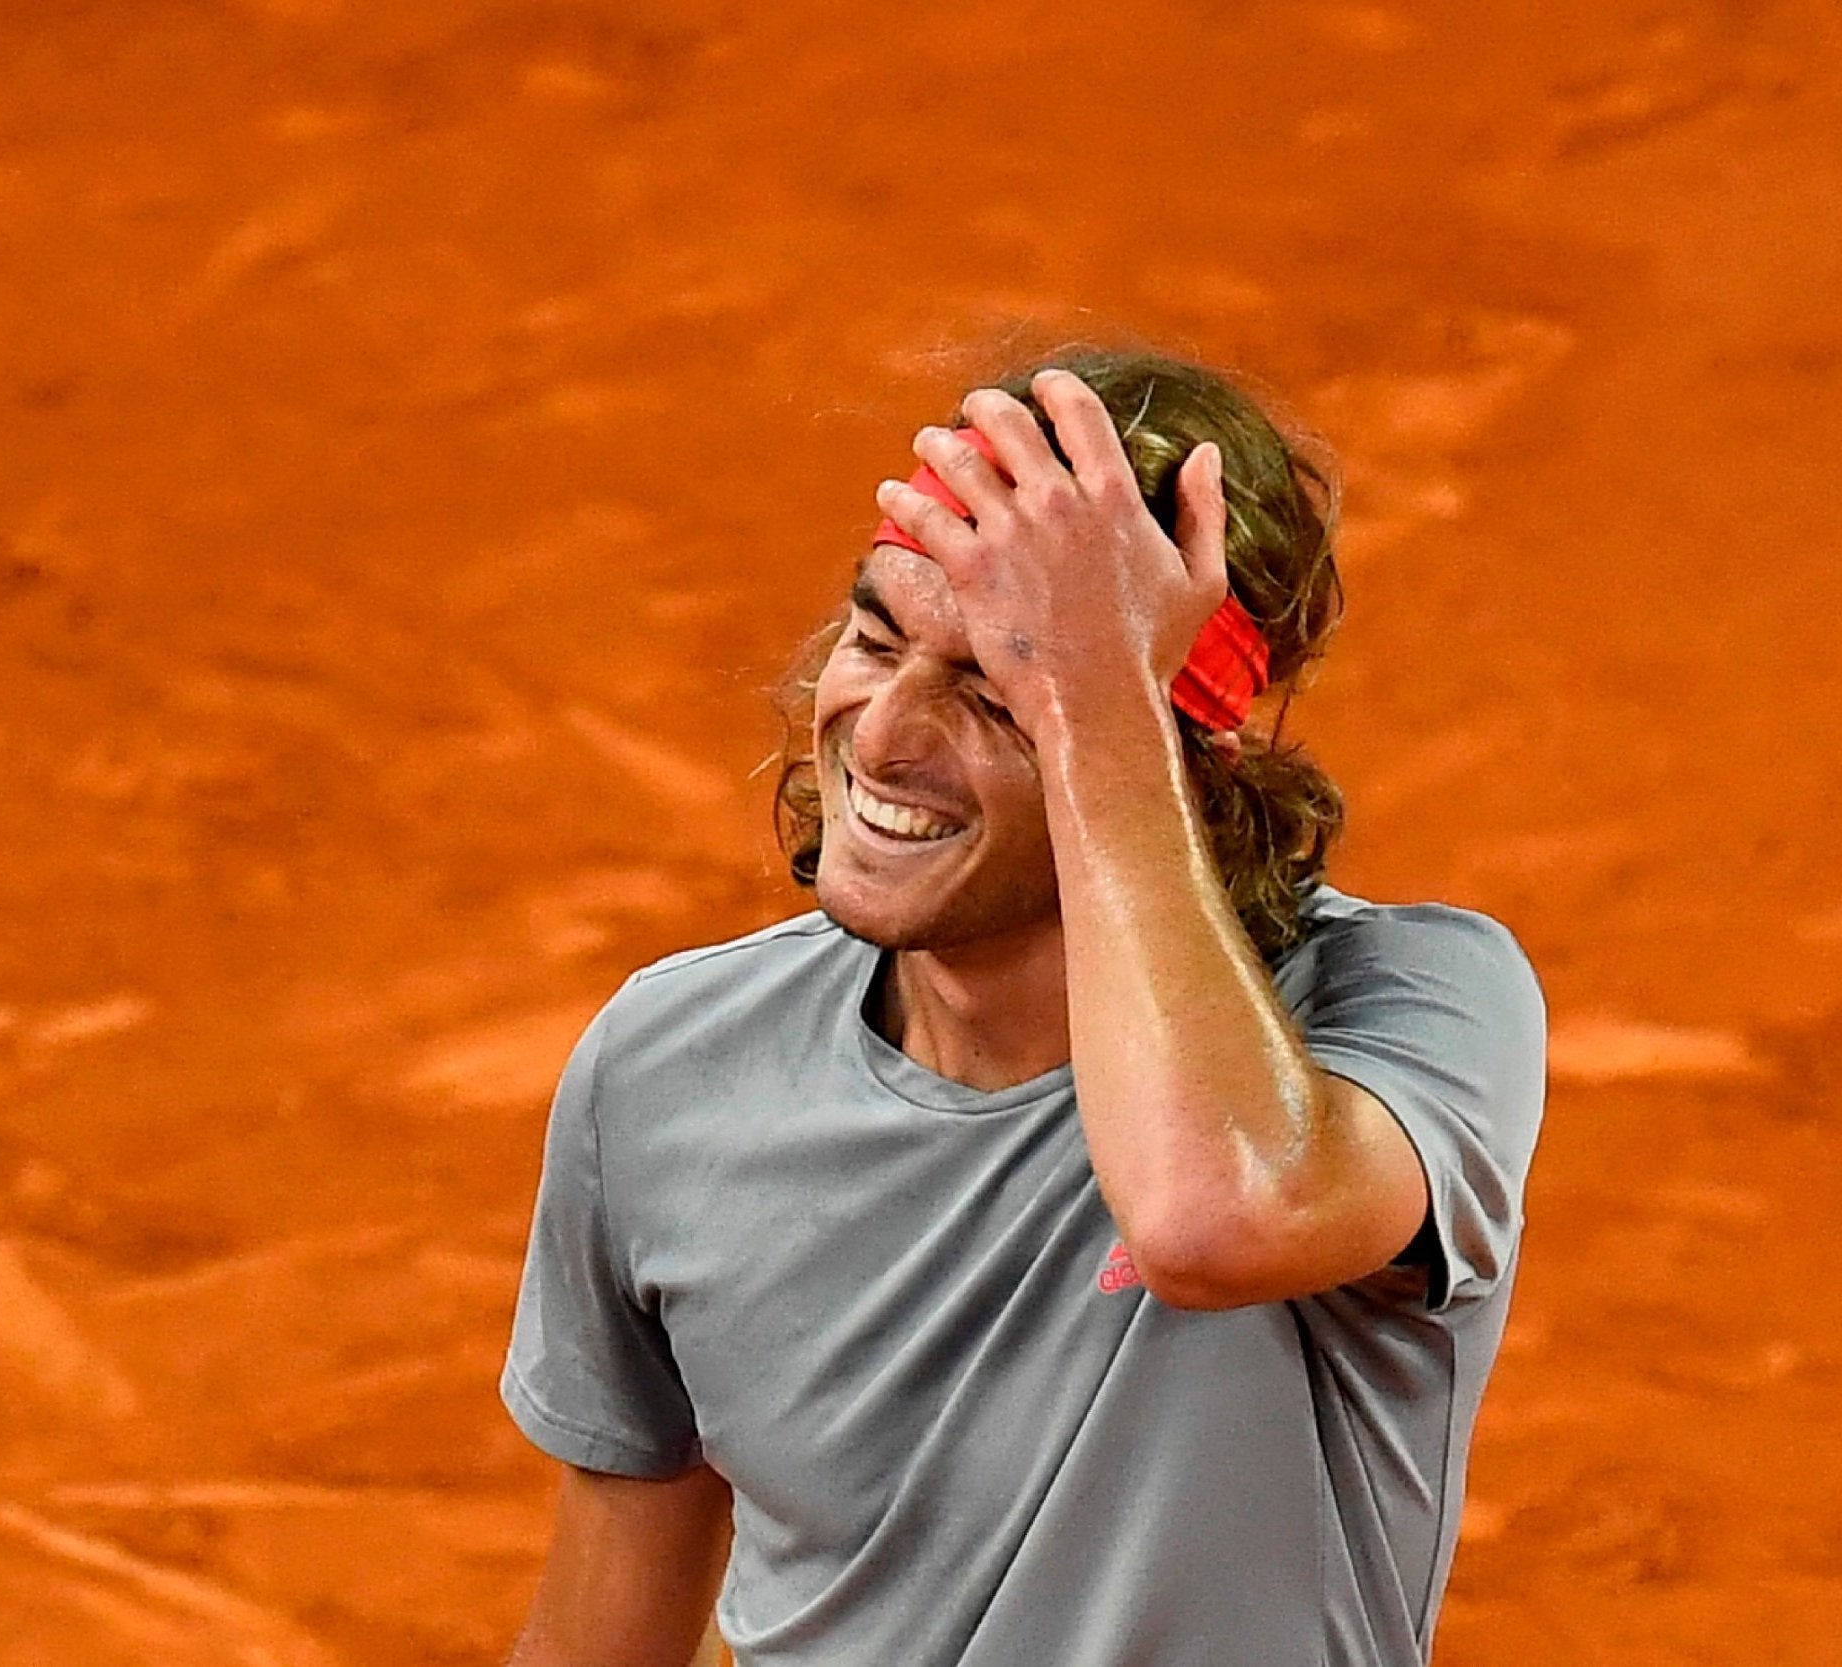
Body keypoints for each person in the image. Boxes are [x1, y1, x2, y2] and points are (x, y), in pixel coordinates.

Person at [498, 347, 1548, 1667]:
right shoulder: (670, 1064)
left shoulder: (1407, 1007)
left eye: (996, 692)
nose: (879, 737)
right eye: (876, 640)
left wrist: (1090, 688)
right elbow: (603, 1635)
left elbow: (1210, 1215)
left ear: (1176, 747)